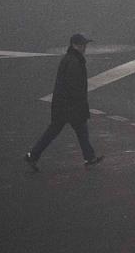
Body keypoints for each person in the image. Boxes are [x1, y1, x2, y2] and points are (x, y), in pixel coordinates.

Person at [25, 33, 103, 170]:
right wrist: (80, 105)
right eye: (82, 45)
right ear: (75, 45)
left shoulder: (70, 59)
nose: (84, 47)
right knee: (80, 131)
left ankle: (33, 155)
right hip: (70, 106)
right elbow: (74, 87)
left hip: (62, 105)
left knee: (55, 132)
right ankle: (89, 158)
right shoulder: (74, 61)